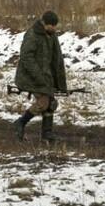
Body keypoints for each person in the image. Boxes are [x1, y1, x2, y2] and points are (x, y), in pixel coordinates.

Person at [13, 11, 67, 142]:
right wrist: (39, 77)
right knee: (43, 102)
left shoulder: (52, 35)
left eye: (55, 26)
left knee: (51, 104)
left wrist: (59, 82)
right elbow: (27, 58)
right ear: (44, 23)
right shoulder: (32, 35)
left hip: (45, 76)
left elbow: (56, 59)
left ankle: (47, 134)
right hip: (29, 77)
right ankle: (20, 122)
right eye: (52, 26)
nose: (54, 28)